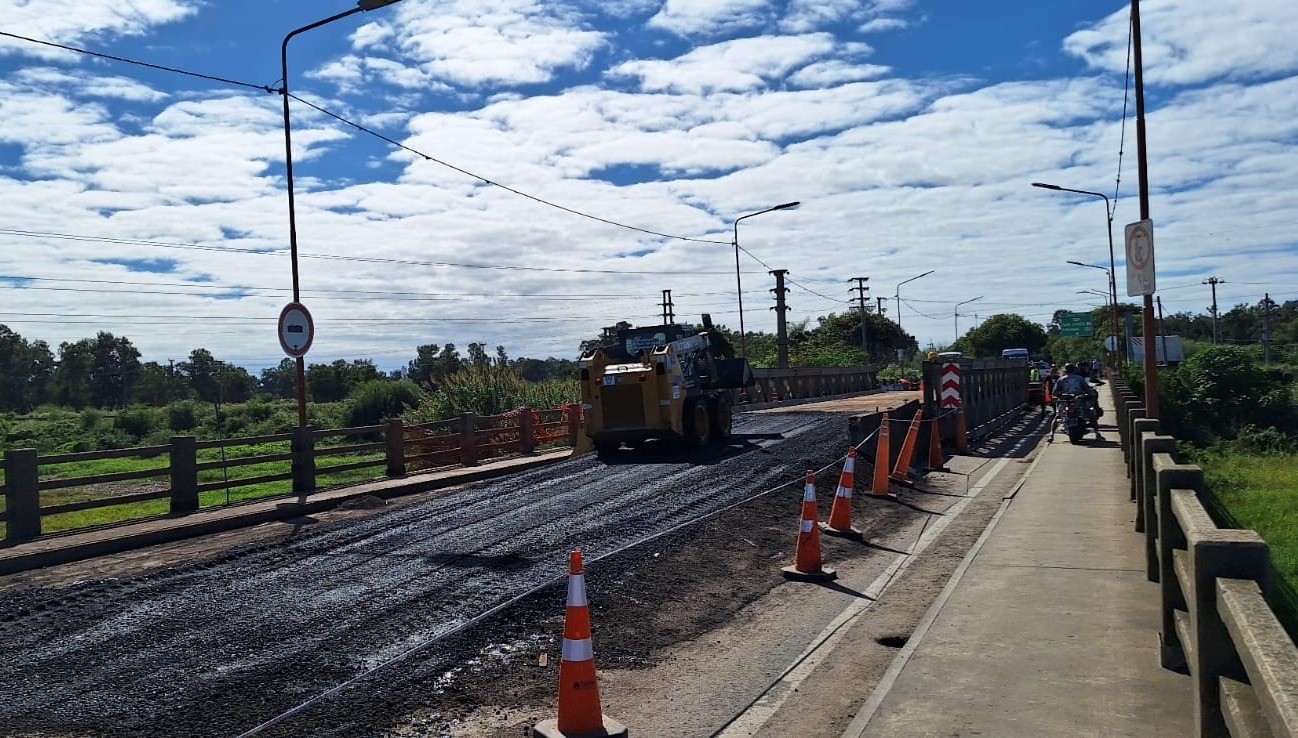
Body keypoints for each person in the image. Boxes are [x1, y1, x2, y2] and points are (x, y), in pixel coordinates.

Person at [1054, 363, 1102, 439]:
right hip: (1078, 401)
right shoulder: (1080, 379)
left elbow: (1055, 392)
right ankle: (1097, 433)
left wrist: (1061, 395)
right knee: (1092, 414)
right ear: (1074, 370)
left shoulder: (1061, 379)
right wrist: (1089, 395)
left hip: (1065, 402)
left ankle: (1051, 435)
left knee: (1057, 417)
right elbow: (1088, 390)